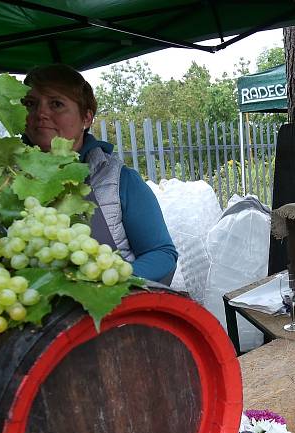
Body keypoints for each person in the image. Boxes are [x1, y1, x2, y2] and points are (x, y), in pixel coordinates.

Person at [22, 64, 178, 284]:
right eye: (30, 104)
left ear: (86, 118)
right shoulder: (0, 182)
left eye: (56, 104)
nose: (40, 113)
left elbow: (162, 254)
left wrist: (110, 281)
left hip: (112, 309)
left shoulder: (118, 180)